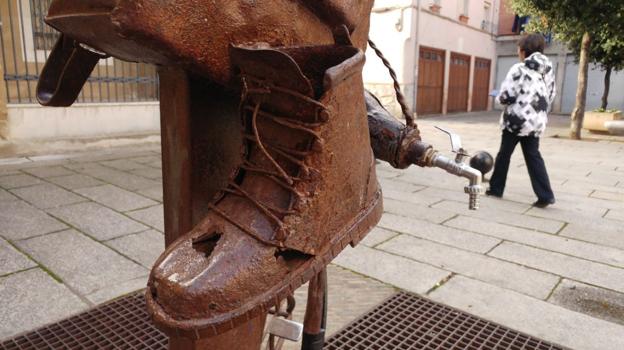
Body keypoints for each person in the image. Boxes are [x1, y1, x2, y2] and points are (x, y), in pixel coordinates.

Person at [487, 34, 556, 208]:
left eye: (519, 49)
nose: (518, 53)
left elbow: (506, 96)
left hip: (516, 121)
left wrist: (498, 98)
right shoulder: (548, 69)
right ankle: (545, 195)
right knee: (533, 156)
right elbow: (551, 95)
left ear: (524, 51)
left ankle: (496, 189)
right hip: (536, 121)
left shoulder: (519, 69)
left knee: (504, 155)